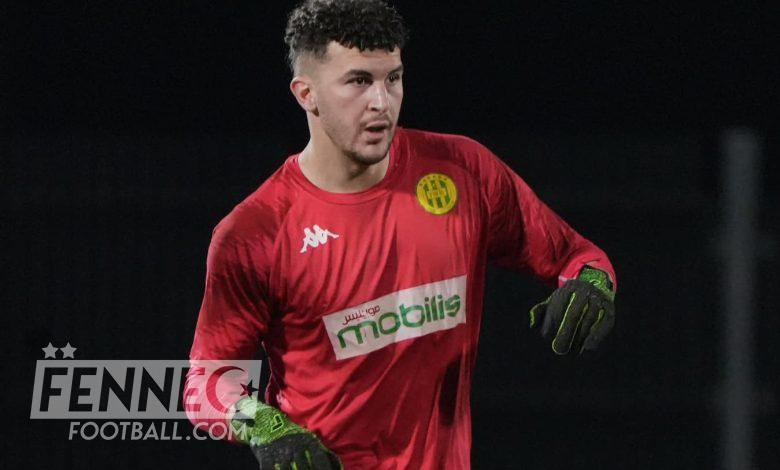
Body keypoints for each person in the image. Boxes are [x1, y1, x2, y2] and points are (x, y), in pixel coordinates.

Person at [185, 1, 617, 468]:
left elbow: (577, 256)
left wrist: (594, 285)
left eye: (392, 78)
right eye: (358, 81)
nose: (381, 102)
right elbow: (206, 383)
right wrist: (264, 425)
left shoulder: (464, 171)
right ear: (306, 94)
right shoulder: (255, 232)